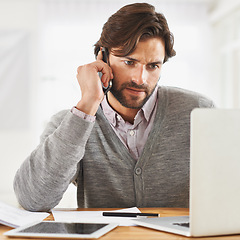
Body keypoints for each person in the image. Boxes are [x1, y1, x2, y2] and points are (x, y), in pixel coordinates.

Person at [14, 3, 214, 212]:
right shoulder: (70, 124)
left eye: (153, 66)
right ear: (103, 57)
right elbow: (33, 200)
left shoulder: (199, 112)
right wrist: (87, 104)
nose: (140, 79)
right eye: (129, 62)